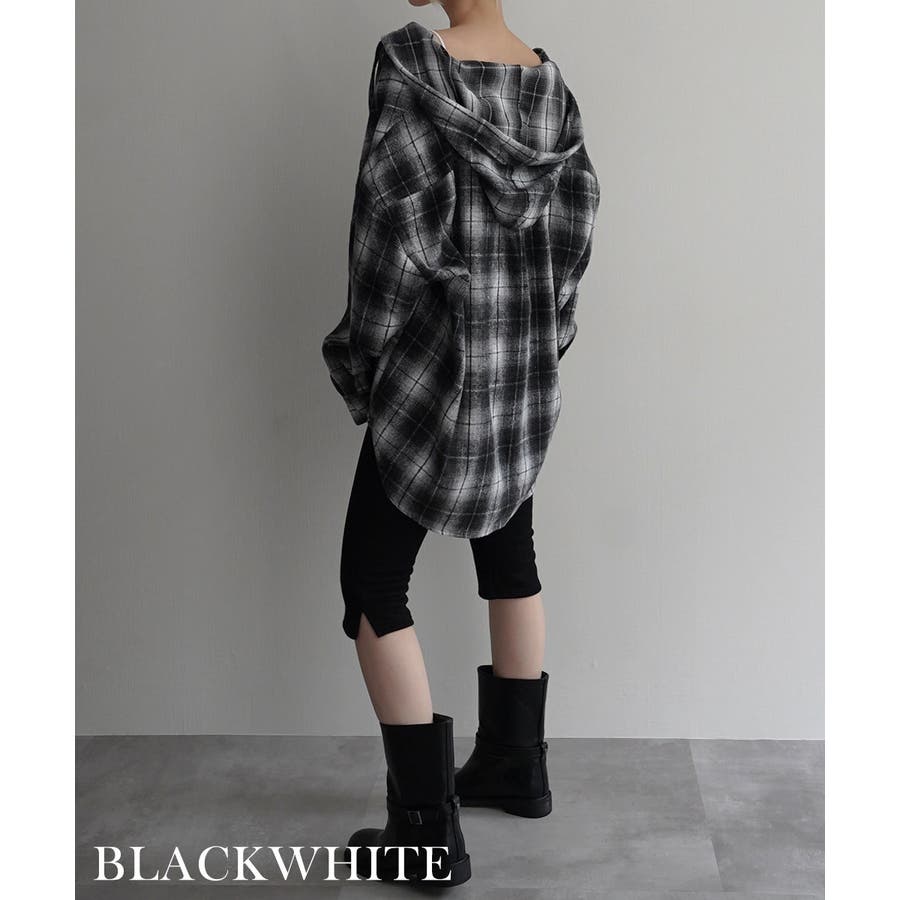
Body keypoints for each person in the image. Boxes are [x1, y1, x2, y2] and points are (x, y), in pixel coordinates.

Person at [320, 0, 600, 886]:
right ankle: (517, 765)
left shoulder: (413, 68)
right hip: (519, 372)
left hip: (429, 377)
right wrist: (541, 344)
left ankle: (423, 829)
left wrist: (362, 358)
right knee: (510, 554)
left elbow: (384, 240)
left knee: (371, 584)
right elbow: (576, 238)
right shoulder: (551, 88)